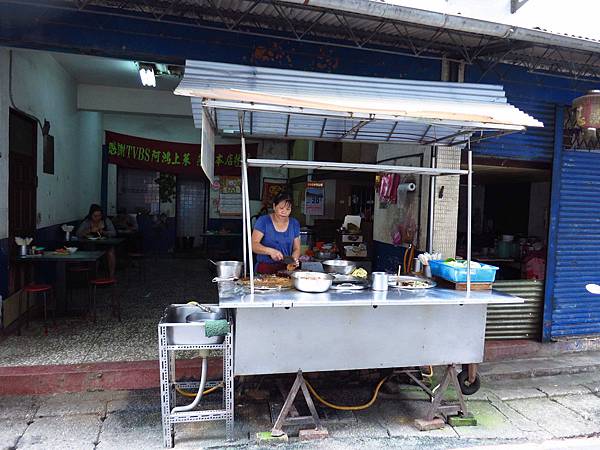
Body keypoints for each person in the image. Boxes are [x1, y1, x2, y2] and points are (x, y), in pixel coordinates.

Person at [251, 191, 301, 274]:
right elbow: (253, 245)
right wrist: (270, 251)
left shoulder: (294, 223)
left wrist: (293, 260)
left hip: (285, 270)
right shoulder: (264, 221)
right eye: (281, 208)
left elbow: (297, 248)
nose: (284, 212)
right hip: (265, 270)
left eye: (288, 209)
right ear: (274, 206)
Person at [76, 204, 117, 278]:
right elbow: (78, 234)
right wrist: (89, 230)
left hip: (104, 244)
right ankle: (93, 276)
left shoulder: (105, 221)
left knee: (111, 251)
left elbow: (114, 232)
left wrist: (103, 232)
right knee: (93, 253)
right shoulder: (87, 222)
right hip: (90, 244)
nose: (98, 218)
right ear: (91, 215)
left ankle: (111, 275)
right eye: (95, 216)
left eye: (99, 215)